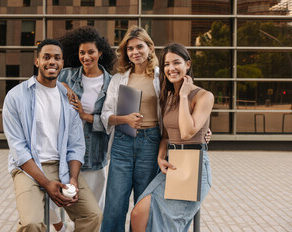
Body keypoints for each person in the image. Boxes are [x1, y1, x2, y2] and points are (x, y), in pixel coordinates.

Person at [2, 38, 102, 232]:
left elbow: (76, 145)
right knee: (32, 223)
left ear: (62, 63)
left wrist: (73, 178)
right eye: (46, 57)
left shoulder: (69, 99)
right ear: (37, 61)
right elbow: (18, 149)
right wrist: (46, 184)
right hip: (28, 169)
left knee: (92, 215)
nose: (52, 62)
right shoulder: (16, 96)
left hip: (61, 166)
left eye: (57, 58)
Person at [130, 42, 214, 232]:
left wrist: (184, 96)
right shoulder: (167, 97)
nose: (171, 68)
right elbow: (166, 136)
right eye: (166, 64)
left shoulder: (204, 96)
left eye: (176, 63)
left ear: (188, 65)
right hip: (172, 163)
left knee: (168, 226)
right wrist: (160, 157)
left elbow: (186, 132)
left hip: (194, 166)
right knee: (138, 214)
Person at [100, 25, 162, 232]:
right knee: (115, 205)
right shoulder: (119, 79)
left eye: (139, 47)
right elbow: (105, 115)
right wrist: (124, 119)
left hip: (151, 143)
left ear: (150, 48)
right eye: (130, 49)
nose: (135, 52)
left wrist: (203, 131)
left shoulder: (161, 78)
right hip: (122, 143)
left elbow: (177, 108)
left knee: (143, 205)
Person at [57, 26, 116, 211]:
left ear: (100, 53)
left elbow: (110, 122)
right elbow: (42, 81)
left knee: (93, 207)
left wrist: (85, 116)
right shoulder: (66, 74)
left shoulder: (111, 83)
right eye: (82, 52)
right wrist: (64, 86)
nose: (86, 57)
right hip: (64, 150)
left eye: (91, 52)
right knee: (59, 201)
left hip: (94, 153)